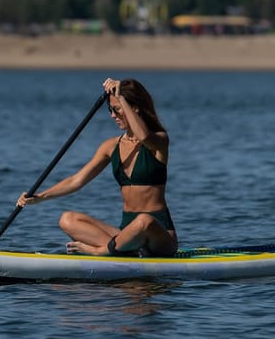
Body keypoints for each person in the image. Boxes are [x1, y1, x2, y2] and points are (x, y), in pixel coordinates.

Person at [16, 78, 177, 257]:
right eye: (110, 109)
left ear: (135, 109)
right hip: (126, 233)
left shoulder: (159, 141)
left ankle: (103, 251)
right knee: (67, 219)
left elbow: (144, 137)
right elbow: (77, 180)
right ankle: (124, 250)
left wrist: (121, 97)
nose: (112, 115)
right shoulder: (110, 147)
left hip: (159, 235)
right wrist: (39, 197)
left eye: (116, 109)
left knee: (144, 221)